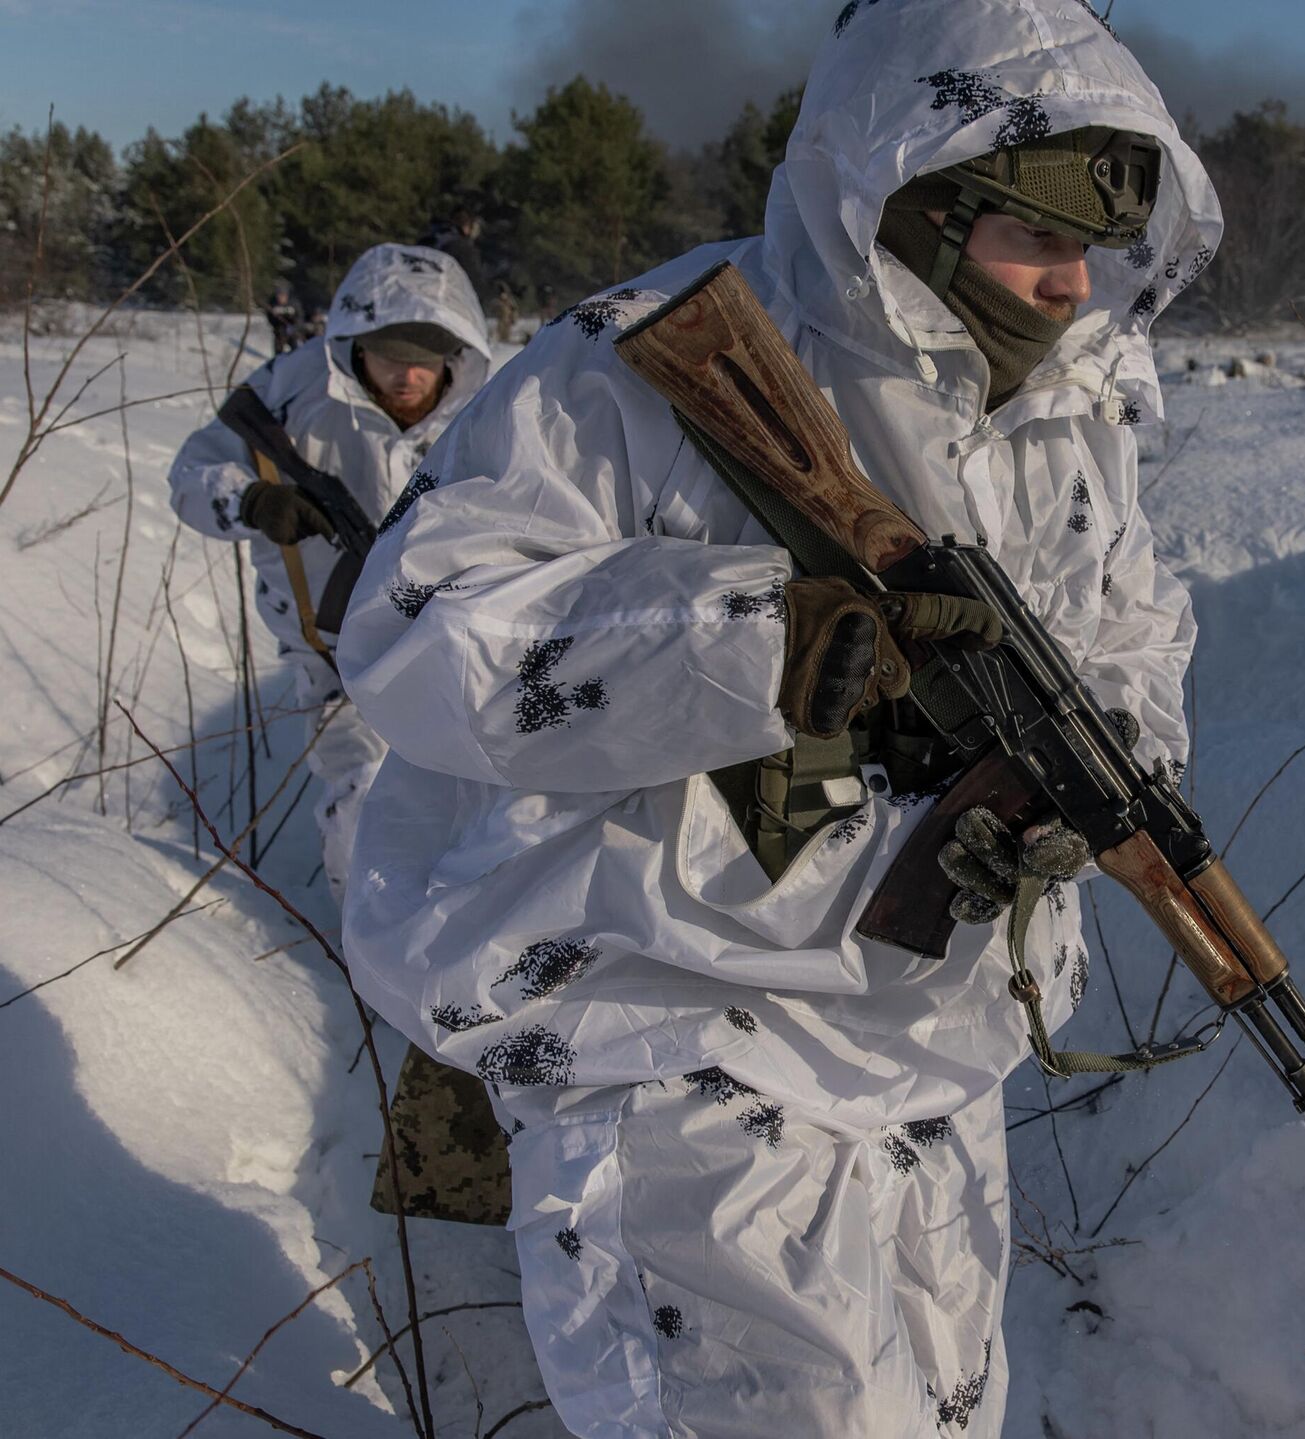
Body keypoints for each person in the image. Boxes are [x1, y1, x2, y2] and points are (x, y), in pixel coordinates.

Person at [338, 2, 1219, 1434]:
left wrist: (1098, 771)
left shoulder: (1075, 406)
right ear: (916, 196)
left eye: (1101, 242)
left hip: (934, 1046)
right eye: (1038, 232)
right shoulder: (639, 365)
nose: (1073, 283)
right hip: (676, 1029)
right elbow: (422, 630)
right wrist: (765, 641)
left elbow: (1128, 618)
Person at [169, 242, 491, 898]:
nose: (407, 376)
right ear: (354, 343)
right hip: (335, 661)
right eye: (390, 355)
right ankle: (369, 969)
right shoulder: (291, 396)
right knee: (364, 809)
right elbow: (191, 472)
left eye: (425, 359)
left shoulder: (490, 412)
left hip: (460, 652)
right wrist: (253, 501)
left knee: (492, 819)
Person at [264, 281, 301, 355]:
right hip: (279, 331)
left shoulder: (294, 303)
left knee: (295, 351)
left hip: (292, 331)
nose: (280, 298)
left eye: (282, 295)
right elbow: (270, 318)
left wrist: (295, 326)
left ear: (286, 295)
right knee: (278, 351)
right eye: (278, 295)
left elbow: (300, 316)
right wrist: (274, 319)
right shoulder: (272, 303)